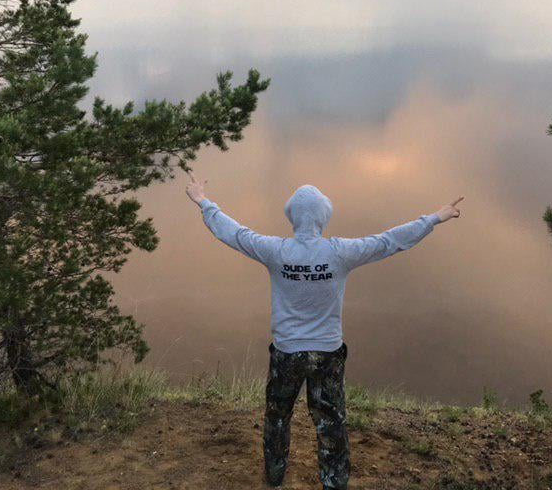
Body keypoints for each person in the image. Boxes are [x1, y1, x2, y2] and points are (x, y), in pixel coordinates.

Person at [185, 174, 462, 490]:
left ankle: (274, 476)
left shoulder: (275, 251)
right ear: (323, 217)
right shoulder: (339, 252)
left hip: (286, 353)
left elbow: (234, 233)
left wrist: (203, 201)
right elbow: (389, 241)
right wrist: (435, 218)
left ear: (292, 216)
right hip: (327, 354)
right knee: (331, 422)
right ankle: (334, 481)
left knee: (277, 417)